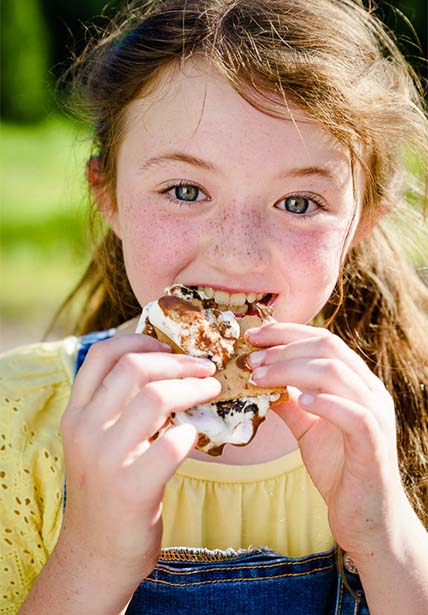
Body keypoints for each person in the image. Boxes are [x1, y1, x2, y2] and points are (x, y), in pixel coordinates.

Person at [1, 0, 428, 613]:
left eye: (300, 203)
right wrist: (93, 562)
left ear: (362, 221)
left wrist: (389, 542)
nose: (237, 254)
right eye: (185, 190)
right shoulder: (14, 419)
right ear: (109, 197)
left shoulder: (411, 410)